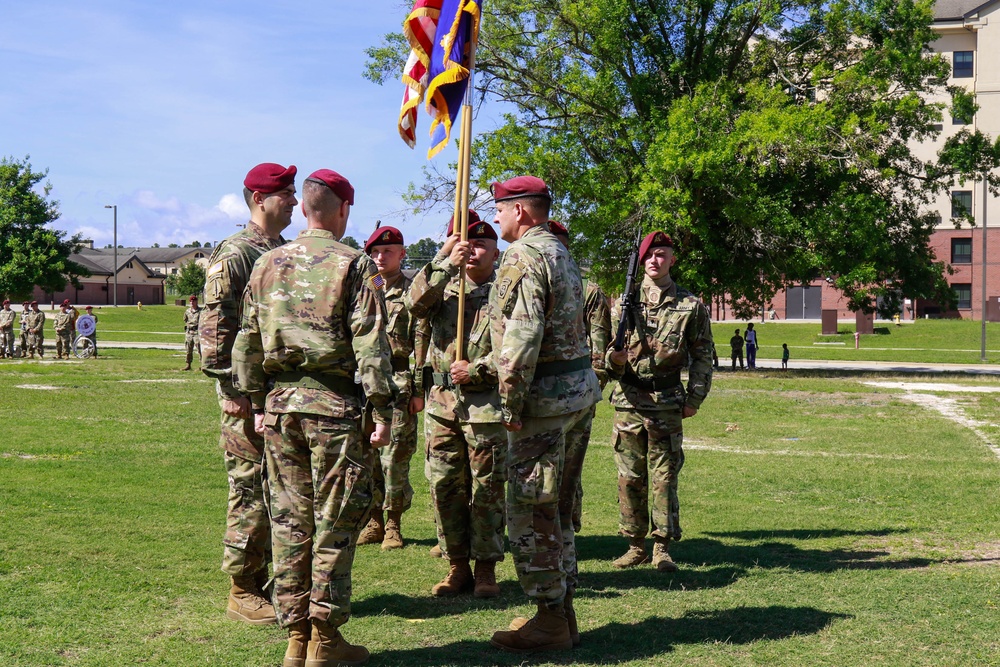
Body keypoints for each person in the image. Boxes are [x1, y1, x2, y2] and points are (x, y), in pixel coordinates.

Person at [233, 168, 395, 667]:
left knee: (290, 524)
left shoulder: (267, 262)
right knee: (335, 523)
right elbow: (371, 345)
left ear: (304, 208)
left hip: (282, 410)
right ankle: (324, 639)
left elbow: (247, 342)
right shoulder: (355, 265)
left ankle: (295, 639)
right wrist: (383, 409)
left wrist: (258, 403)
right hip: (335, 411)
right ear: (343, 210)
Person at [487, 176, 602, 654]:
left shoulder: (525, 255)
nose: (496, 218)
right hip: (575, 395)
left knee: (532, 510)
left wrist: (510, 404)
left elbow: (522, 337)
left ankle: (549, 618)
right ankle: (564, 610)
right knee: (558, 509)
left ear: (522, 212)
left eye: (501, 209)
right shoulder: (559, 250)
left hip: (544, 404)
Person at [200, 162, 295, 626]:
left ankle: (275, 580)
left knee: (281, 487)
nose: (295, 202)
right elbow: (216, 324)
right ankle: (242, 587)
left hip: (278, 392)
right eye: (286, 194)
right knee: (249, 487)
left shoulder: (282, 250)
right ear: (260, 199)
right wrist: (230, 386)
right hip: (245, 395)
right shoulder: (237, 252)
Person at [406, 211, 507, 599]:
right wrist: (445, 260)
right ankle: (457, 566)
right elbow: (413, 304)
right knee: (444, 486)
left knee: (487, 489)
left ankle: (486, 569)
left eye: (483, 244)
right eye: (469, 243)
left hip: (487, 407)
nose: (474, 250)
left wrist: (480, 368)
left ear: (496, 252)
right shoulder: (444, 286)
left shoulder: (505, 290)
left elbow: (521, 345)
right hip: (441, 405)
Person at [606, 231, 714, 574]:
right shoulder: (623, 303)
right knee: (629, 477)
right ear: (642, 261)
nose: (655, 260)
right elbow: (605, 354)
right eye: (649, 255)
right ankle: (635, 544)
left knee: (665, 477)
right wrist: (615, 360)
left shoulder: (690, 305)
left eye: (662, 254)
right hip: (628, 401)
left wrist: (695, 396)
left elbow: (702, 355)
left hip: (667, 401)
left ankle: (662, 547)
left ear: (672, 259)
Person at [356, 225, 420, 551]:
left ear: (401, 254)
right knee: (367, 454)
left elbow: (422, 344)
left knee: (394, 457)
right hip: (365, 383)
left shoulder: (412, 292)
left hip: (398, 383)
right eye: (376, 252)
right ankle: (373, 520)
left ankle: (393, 521)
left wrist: (418, 390)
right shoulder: (369, 287)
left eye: (388, 251)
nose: (381, 257)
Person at [549, 219, 611, 534]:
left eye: (558, 242)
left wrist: (588, 393)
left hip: (577, 393)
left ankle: (569, 524)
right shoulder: (536, 283)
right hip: (541, 393)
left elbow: (600, 351)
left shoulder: (589, 290)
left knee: (571, 466)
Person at [182, 295, 202, 371]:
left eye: (194, 301)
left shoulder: (201, 311)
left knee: (199, 349)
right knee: (188, 349)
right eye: (191, 301)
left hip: (197, 332)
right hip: (189, 332)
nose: (192, 302)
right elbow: (185, 320)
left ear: (196, 302)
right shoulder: (187, 311)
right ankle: (188, 364)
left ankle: (202, 365)